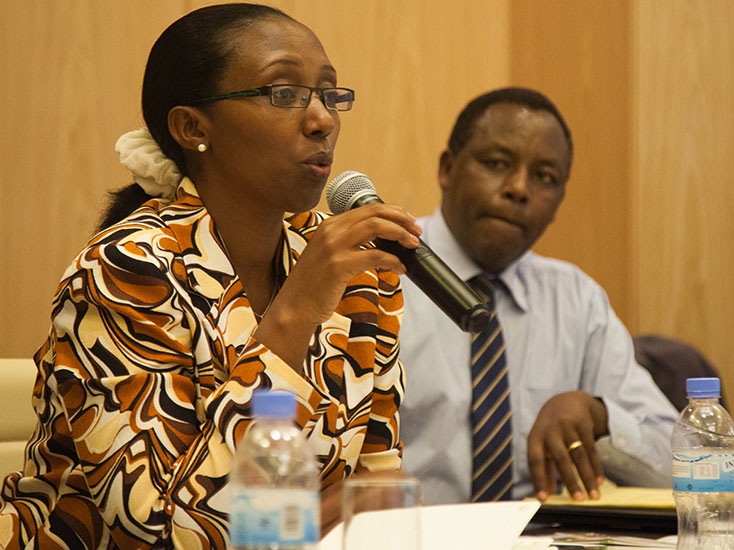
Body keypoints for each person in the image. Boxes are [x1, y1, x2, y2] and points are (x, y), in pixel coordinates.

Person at [0, 4, 422, 549]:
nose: (321, 119)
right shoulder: (124, 272)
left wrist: (354, 513)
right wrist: (294, 313)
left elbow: (375, 499)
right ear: (193, 127)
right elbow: (159, 532)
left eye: (327, 93)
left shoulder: (354, 272)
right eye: (283, 93)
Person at [398, 87, 679, 505]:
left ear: (559, 201)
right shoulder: (378, 280)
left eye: (544, 177)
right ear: (447, 168)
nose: (518, 189)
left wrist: (600, 416)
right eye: (496, 164)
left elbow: (691, 465)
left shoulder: (576, 300)